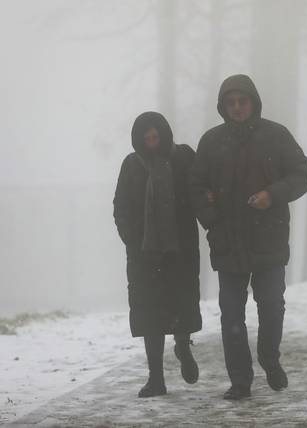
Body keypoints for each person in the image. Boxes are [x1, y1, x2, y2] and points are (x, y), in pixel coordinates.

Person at [189, 75, 307, 400]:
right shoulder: (211, 141)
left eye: (242, 101)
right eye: (231, 103)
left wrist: (272, 195)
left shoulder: (276, 135)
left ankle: (270, 360)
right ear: (223, 107)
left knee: (271, 305)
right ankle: (240, 381)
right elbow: (195, 186)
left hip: (269, 238)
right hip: (228, 240)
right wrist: (211, 217)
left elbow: (302, 173)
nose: (237, 108)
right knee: (231, 312)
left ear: (253, 102)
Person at [113, 112, 202, 398]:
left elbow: (201, 190)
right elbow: (121, 206)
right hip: (144, 255)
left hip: (180, 250)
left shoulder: (184, 158)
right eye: (146, 139)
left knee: (181, 307)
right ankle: (156, 379)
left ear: (164, 135)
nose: (152, 143)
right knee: (150, 315)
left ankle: (183, 348)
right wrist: (132, 240)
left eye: (156, 137)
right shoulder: (131, 165)